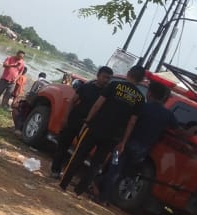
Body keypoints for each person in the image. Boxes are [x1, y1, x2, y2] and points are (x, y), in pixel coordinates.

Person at [97, 81, 197, 204]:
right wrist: (193, 130)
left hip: (124, 144)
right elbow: (180, 132)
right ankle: (104, 194)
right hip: (141, 152)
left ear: (149, 94)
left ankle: (101, 195)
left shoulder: (141, 107)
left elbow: (129, 121)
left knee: (114, 169)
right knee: (124, 173)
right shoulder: (168, 115)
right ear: (164, 97)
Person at [59, 64, 146, 197]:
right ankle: (79, 191)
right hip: (114, 136)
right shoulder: (140, 98)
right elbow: (132, 122)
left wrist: (87, 121)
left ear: (129, 73)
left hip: (96, 127)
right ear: (141, 80)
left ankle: (64, 184)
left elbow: (98, 104)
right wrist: (123, 141)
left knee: (79, 155)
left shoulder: (114, 85)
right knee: (96, 164)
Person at [50, 66, 112, 179]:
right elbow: (72, 101)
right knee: (63, 145)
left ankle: (68, 175)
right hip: (75, 119)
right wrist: (65, 118)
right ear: (98, 75)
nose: (106, 80)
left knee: (80, 152)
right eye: (104, 77)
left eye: (108, 78)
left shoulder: (107, 93)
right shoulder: (86, 87)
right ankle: (55, 170)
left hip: (89, 125)